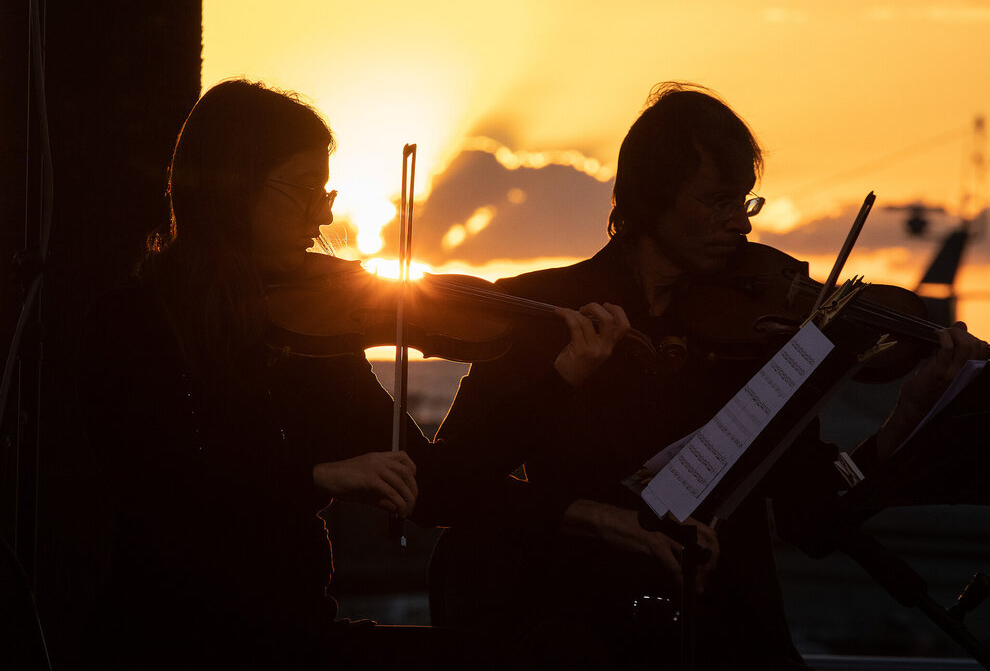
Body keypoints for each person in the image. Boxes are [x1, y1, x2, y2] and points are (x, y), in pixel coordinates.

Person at [419, 82, 990, 670]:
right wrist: (595, 489)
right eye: (717, 202)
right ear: (647, 201)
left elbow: (813, 520)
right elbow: (447, 482)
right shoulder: (546, 309)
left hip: (725, 630)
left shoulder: (758, 334)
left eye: (744, 202)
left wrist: (910, 412)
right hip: (579, 627)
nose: (739, 226)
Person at [78, 78, 629, 670]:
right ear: (231, 189)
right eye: (306, 190)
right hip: (164, 642)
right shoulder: (128, 323)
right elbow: (166, 484)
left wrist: (560, 381)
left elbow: (435, 483)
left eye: (326, 190)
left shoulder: (310, 333)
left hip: (297, 638)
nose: (326, 214)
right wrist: (317, 476)